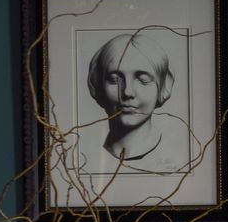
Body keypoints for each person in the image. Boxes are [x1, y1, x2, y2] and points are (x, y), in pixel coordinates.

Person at [84, 29, 199, 173]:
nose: (127, 92)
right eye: (114, 80)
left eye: (143, 80)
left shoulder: (182, 155)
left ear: (163, 87)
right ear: (98, 86)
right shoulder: (85, 158)